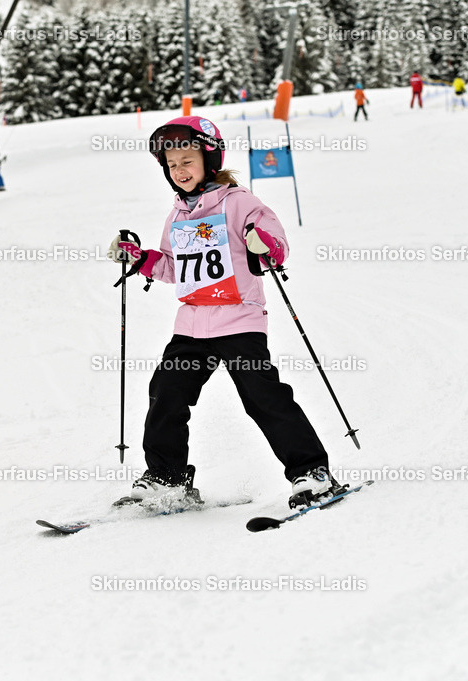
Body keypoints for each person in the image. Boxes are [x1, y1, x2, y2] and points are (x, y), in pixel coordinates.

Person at [107, 116, 336, 511]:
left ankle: (312, 472)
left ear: (209, 159)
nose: (179, 170)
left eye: (187, 160)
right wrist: (141, 259)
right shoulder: (177, 215)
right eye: (171, 164)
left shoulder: (240, 203)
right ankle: (167, 478)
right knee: (166, 394)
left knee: (263, 397)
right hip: (193, 324)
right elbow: (175, 269)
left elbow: (275, 249)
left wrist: (262, 243)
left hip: (239, 320)